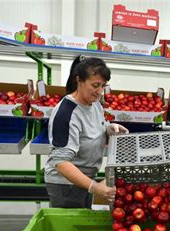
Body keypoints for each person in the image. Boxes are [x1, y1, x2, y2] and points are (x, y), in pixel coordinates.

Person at [44, 56, 129, 208]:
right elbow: (61, 162)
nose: (100, 92)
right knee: (69, 229)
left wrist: (108, 129)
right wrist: (95, 187)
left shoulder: (94, 103)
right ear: (79, 81)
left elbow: (93, 126)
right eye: (95, 85)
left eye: (103, 86)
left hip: (85, 179)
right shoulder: (67, 113)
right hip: (66, 185)